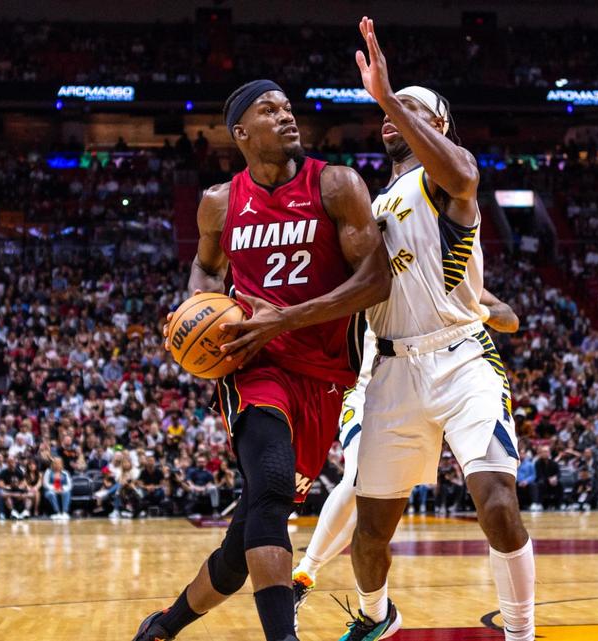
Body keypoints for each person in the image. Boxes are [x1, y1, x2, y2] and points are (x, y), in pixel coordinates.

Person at [133, 75, 390, 641]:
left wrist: (289, 316)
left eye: (288, 107)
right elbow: (205, 268)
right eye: (270, 110)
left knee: (244, 538)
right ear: (242, 132)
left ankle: (163, 627)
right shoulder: (219, 203)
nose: (286, 115)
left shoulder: (337, 186)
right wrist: (194, 305)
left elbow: (377, 282)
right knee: (271, 488)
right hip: (254, 363)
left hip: (324, 374)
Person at [341, 18, 534, 641]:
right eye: (392, 113)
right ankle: (377, 618)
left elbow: (462, 178)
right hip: (392, 370)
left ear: (439, 127)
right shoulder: (367, 207)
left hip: (461, 361)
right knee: (369, 534)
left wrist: (388, 94)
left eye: (415, 111)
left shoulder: (445, 177)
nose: (394, 118)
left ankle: (521, 633)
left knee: (498, 504)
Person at [291, 296, 518, 630]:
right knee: (356, 478)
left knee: (365, 501)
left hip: (428, 380)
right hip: (363, 387)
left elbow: (509, 318)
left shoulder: (435, 269)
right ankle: (303, 577)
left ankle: (313, 582)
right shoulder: (358, 261)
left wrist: (473, 311)